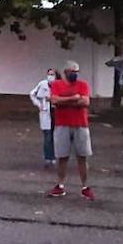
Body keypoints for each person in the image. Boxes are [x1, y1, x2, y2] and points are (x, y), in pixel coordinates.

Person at [46, 60, 95, 201]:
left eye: (76, 71)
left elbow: (85, 102)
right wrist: (73, 98)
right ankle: (60, 185)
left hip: (80, 124)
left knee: (82, 156)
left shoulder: (83, 85)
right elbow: (54, 100)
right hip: (62, 124)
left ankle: (85, 186)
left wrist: (64, 101)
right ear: (66, 72)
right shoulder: (57, 85)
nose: (75, 74)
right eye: (72, 71)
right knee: (62, 156)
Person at [29, 68, 56, 167]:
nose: (50, 77)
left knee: (55, 136)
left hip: (55, 112)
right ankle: (48, 157)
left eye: (52, 75)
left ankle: (53, 156)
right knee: (47, 136)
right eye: (49, 74)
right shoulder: (42, 84)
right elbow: (32, 94)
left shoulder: (58, 85)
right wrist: (39, 104)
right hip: (45, 111)